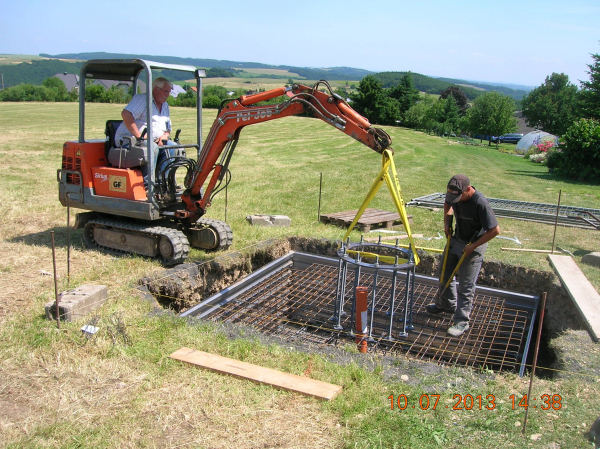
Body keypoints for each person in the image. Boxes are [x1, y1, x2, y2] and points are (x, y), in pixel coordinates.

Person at [426, 174, 500, 337]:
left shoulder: (480, 202)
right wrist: (447, 224)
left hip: (474, 245)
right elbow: (448, 204)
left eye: (458, 197)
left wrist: (473, 246)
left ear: (468, 189)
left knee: (466, 286)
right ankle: (446, 305)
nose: (455, 199)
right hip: (456, 239)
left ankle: (461, 321)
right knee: (444, 274)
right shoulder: (453, 195)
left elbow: (495, 230)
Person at [114, 77, 175, 183]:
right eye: (165, 91)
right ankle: (148, 186)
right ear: (156, 89)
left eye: (169, 92)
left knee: (173, 147)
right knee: (152, 147)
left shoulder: (165, 106)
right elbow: (126, 114)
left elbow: (168, 128)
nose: (167, 95)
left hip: (153, 140)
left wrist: (165, 136)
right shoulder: (143, 99)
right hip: (129, 141)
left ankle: (163, 183)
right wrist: (139, 136)